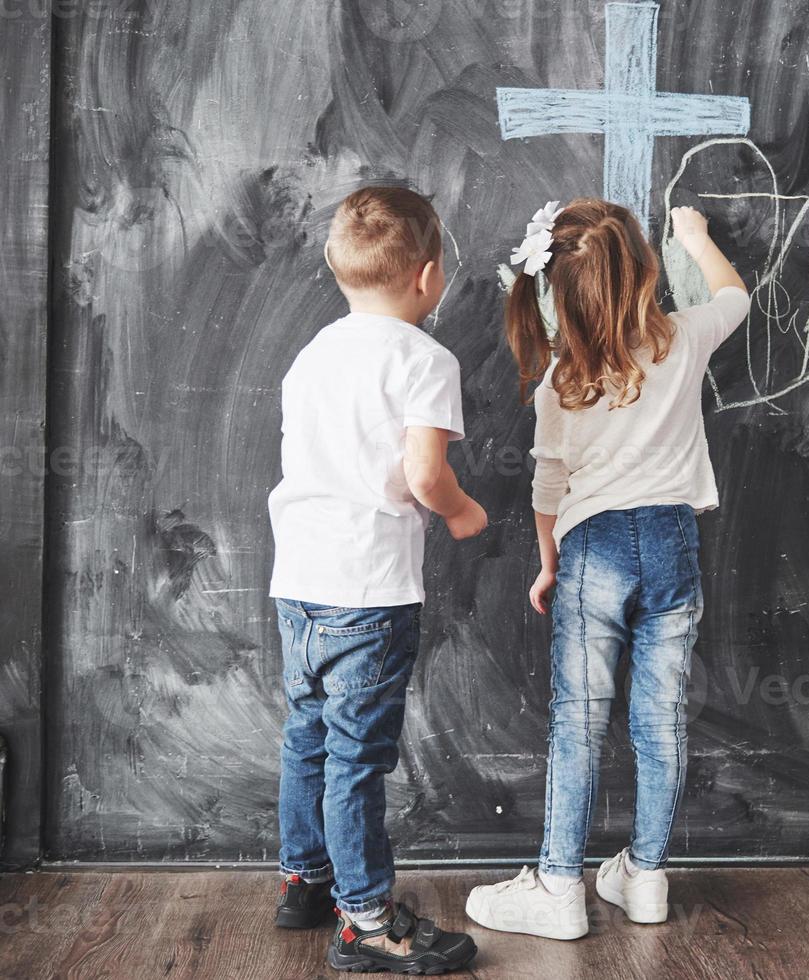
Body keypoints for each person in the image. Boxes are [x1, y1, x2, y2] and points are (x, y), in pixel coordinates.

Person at [466, 199, 750, 939]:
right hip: (672, 541)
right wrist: (698, 237)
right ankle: (647, 875)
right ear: (647, 272)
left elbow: (547, 489)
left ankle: (560, 885)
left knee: (580, 719)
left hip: (592, 547)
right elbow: (734, 298)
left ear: (560, 293)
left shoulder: (563, 378)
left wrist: (548, 563)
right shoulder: (683, 341)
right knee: (660, 717)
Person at [269, 186, 486, 973]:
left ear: (336, 264)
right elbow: (426, 474)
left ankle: (306, 878)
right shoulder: (425, 359)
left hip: (297, 578)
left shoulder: (312, 354)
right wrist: (462, 513)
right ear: (430, 277)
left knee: (308, 734)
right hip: (367, 589)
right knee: (358, 756)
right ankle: (365, 921)